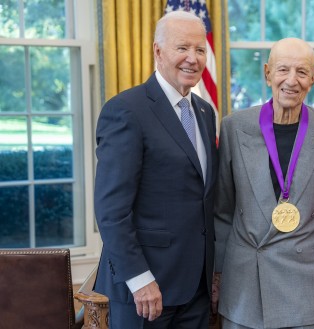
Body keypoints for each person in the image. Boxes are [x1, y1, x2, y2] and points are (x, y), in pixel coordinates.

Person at [213, 37, 314, 329]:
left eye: (302, 72)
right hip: (245, 287)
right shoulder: (233, 127)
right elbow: (222, 211)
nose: (291, 81)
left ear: (313, 79)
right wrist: (216, 273)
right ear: (267, 73)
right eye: (282, 70)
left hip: (309, 287)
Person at [93, 11, 218, 329]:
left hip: (196, 288)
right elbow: (111, 210)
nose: (193, 58)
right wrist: (138, 278)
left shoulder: (204, 112)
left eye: (200, 49)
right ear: (157, 51)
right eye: (182, 48)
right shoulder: (126, 111)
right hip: (146, 289)